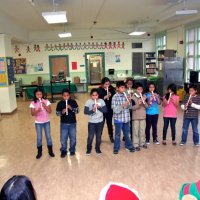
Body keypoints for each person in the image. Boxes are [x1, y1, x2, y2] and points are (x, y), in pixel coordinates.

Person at [30, 88, 55, 159]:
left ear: (42, 94)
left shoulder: (46, 101)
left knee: (48, 137)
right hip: (38, 122)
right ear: (35, 95)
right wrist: (37, 111)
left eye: (40, 94)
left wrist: (44, 106)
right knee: (39, 138)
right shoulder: (33, 103)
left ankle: (50, 151)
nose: (39, 96)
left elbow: (50, 111)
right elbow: (32, 114)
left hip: (46, 121)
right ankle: (39, 152)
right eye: (37, 94)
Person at [111, 81, 135, 154]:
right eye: (121, 87)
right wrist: (123, 105)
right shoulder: (115, 97)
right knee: (117, 134)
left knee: (127, 133)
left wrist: (130, 101)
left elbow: (130, 107)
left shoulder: (126, 95)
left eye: (124, 87)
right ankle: (116, 148)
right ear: (117, 88)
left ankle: (129, 146)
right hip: (118, 119)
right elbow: (115, 110)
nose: (123, 89)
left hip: (126, 118)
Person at [56, 89, 79, 157]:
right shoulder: (60, 103)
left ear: (69, 95)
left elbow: (77, 111)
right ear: (62, 96)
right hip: (64, 124)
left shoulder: (73, 102)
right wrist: (62, 112)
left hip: (72, 123)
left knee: (73, 138)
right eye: (64, 96)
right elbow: (57, 113)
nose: (66, 97)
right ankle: (64, 150)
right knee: (63, 138)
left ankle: (72, 150)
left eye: (67, 95)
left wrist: (71, 108)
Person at [84, 88, 107, 155]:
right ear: (91, 96)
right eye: (93, 95)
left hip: (100, 122)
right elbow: (85, 112)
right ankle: (88, 149)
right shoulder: (88, 102)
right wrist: (92, 111)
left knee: (98, 136)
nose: (95, 97)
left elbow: (105, 110)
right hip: (91, 122)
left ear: (98, 95)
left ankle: (97, 148)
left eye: (96, 95)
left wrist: (99, 107)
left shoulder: (101, 101)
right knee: (90, 136)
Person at [98, 77, 115, 143]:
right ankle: (99, 137)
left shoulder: (112, 89)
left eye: (108, 84)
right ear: (102, 84)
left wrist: (111, 95)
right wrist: (104, 97)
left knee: (109, 123)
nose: (107, 86)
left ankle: (111, 136)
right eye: (105, 84)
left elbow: (115, 97)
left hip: (109, 109)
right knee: (101, 124)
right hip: (101, 110)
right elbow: (97, 100)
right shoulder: (99, 90)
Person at [132, 82, 148, 151]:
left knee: (142, 130)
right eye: (138, 89)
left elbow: (147, 107)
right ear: (135, 90)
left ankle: (142, 143)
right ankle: (135, 144)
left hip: (143, 117)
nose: (140, 91)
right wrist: (138, 104)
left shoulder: (144, 96)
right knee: (135, 131)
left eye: (141, 89)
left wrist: (144, 101)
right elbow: (132, 108)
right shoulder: (132, 97)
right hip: (135, 117)